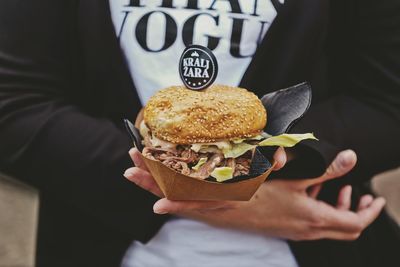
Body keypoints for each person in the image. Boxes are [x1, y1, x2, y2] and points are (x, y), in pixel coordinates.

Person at [0, 0, 399, 267]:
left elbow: (386, 103)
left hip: (320, 246)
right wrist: (232, 203)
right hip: (101, 246)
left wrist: (273, 155)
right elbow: (14, 105)